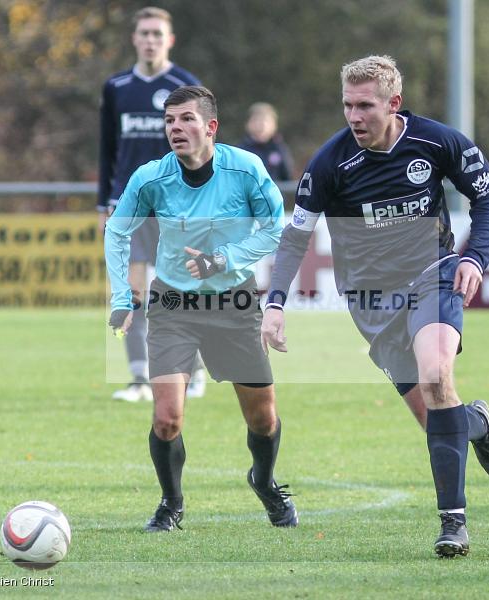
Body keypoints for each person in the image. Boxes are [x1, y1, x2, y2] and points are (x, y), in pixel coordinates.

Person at [261, 56, 489, 557]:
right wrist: (274, 303)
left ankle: (453, 525)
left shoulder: (438, 142)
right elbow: (295, 238)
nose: (354, 116)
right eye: (348, 106)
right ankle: (476, 423)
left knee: (436, 376)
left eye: (365, 106)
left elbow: (485, 199)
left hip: (433, 275)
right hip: (372, 300)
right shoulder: (329, 164)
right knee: (437, 420)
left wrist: (475, 258)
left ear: (393, 104)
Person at [105, 85, 297, 532]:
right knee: (167, 418)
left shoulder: (245, 169)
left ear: (211, 127)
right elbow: (117, 231)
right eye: (169, 121)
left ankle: (264, 480)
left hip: (234, 304)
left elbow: (275, 230)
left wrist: (223, 259)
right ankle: (171, 504)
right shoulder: (150, 177)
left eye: (186, 119)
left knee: (262, 418)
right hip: (173, 305)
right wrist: (121, 298)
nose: (175, 128)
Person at [98, 6, 205, 401]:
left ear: (169, 40)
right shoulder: (117, 87)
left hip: (176, 205)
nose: (150, 40)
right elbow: (107, 148)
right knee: (132, 292)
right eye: (144, 33)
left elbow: (201, 147)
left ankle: (193, 369)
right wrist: (103, 203)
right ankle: (139, 379)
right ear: (134, 38)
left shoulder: (185, 84)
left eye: (157, 34)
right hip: (129, 204)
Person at [238, 102, 294, 182]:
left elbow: (288, 178)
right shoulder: (240, 151)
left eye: (266, 121)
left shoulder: (280, 148)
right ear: (248, 124)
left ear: (274, 125)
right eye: (256, 120)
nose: (261, 125)